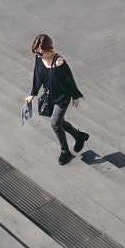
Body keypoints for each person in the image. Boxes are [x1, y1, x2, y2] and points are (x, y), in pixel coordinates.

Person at [25, 34, 89, 165]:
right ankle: (79, 136)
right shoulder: (39, 59)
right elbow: (37, 75)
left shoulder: (60, 63)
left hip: (62, 98)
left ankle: (65, 151)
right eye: (36, 52)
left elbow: (69, 82)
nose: (38, 55)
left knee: (54, 123)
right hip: (50, 96)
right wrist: (33, 93)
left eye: (40, 52)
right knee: (60, 122)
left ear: (48, 49)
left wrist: (75, 97)